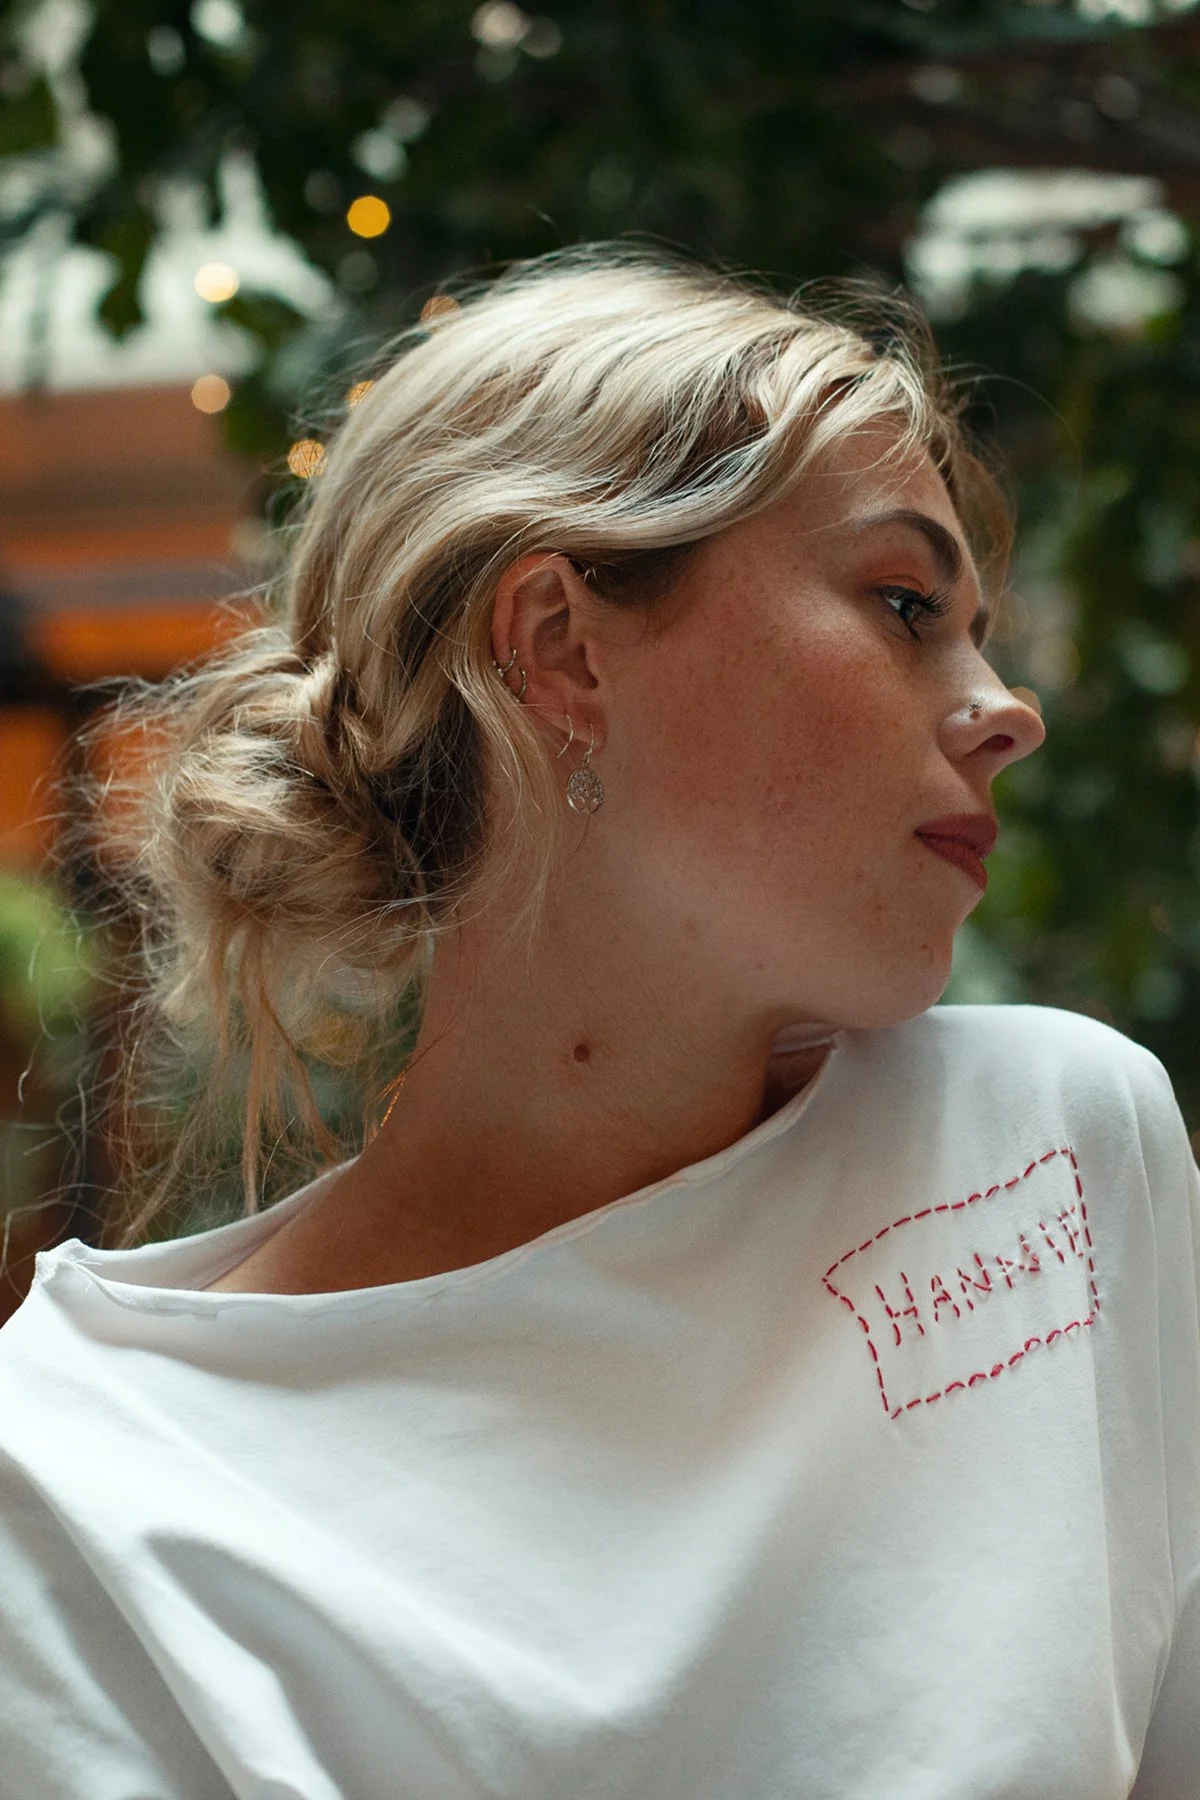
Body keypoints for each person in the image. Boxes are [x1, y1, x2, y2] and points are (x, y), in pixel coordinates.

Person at [0, 244, 1197, 1800]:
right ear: (561, 645)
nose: (1006, 706)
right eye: (906, 602)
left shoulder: (1049, 1145)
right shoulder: (78, 1490)